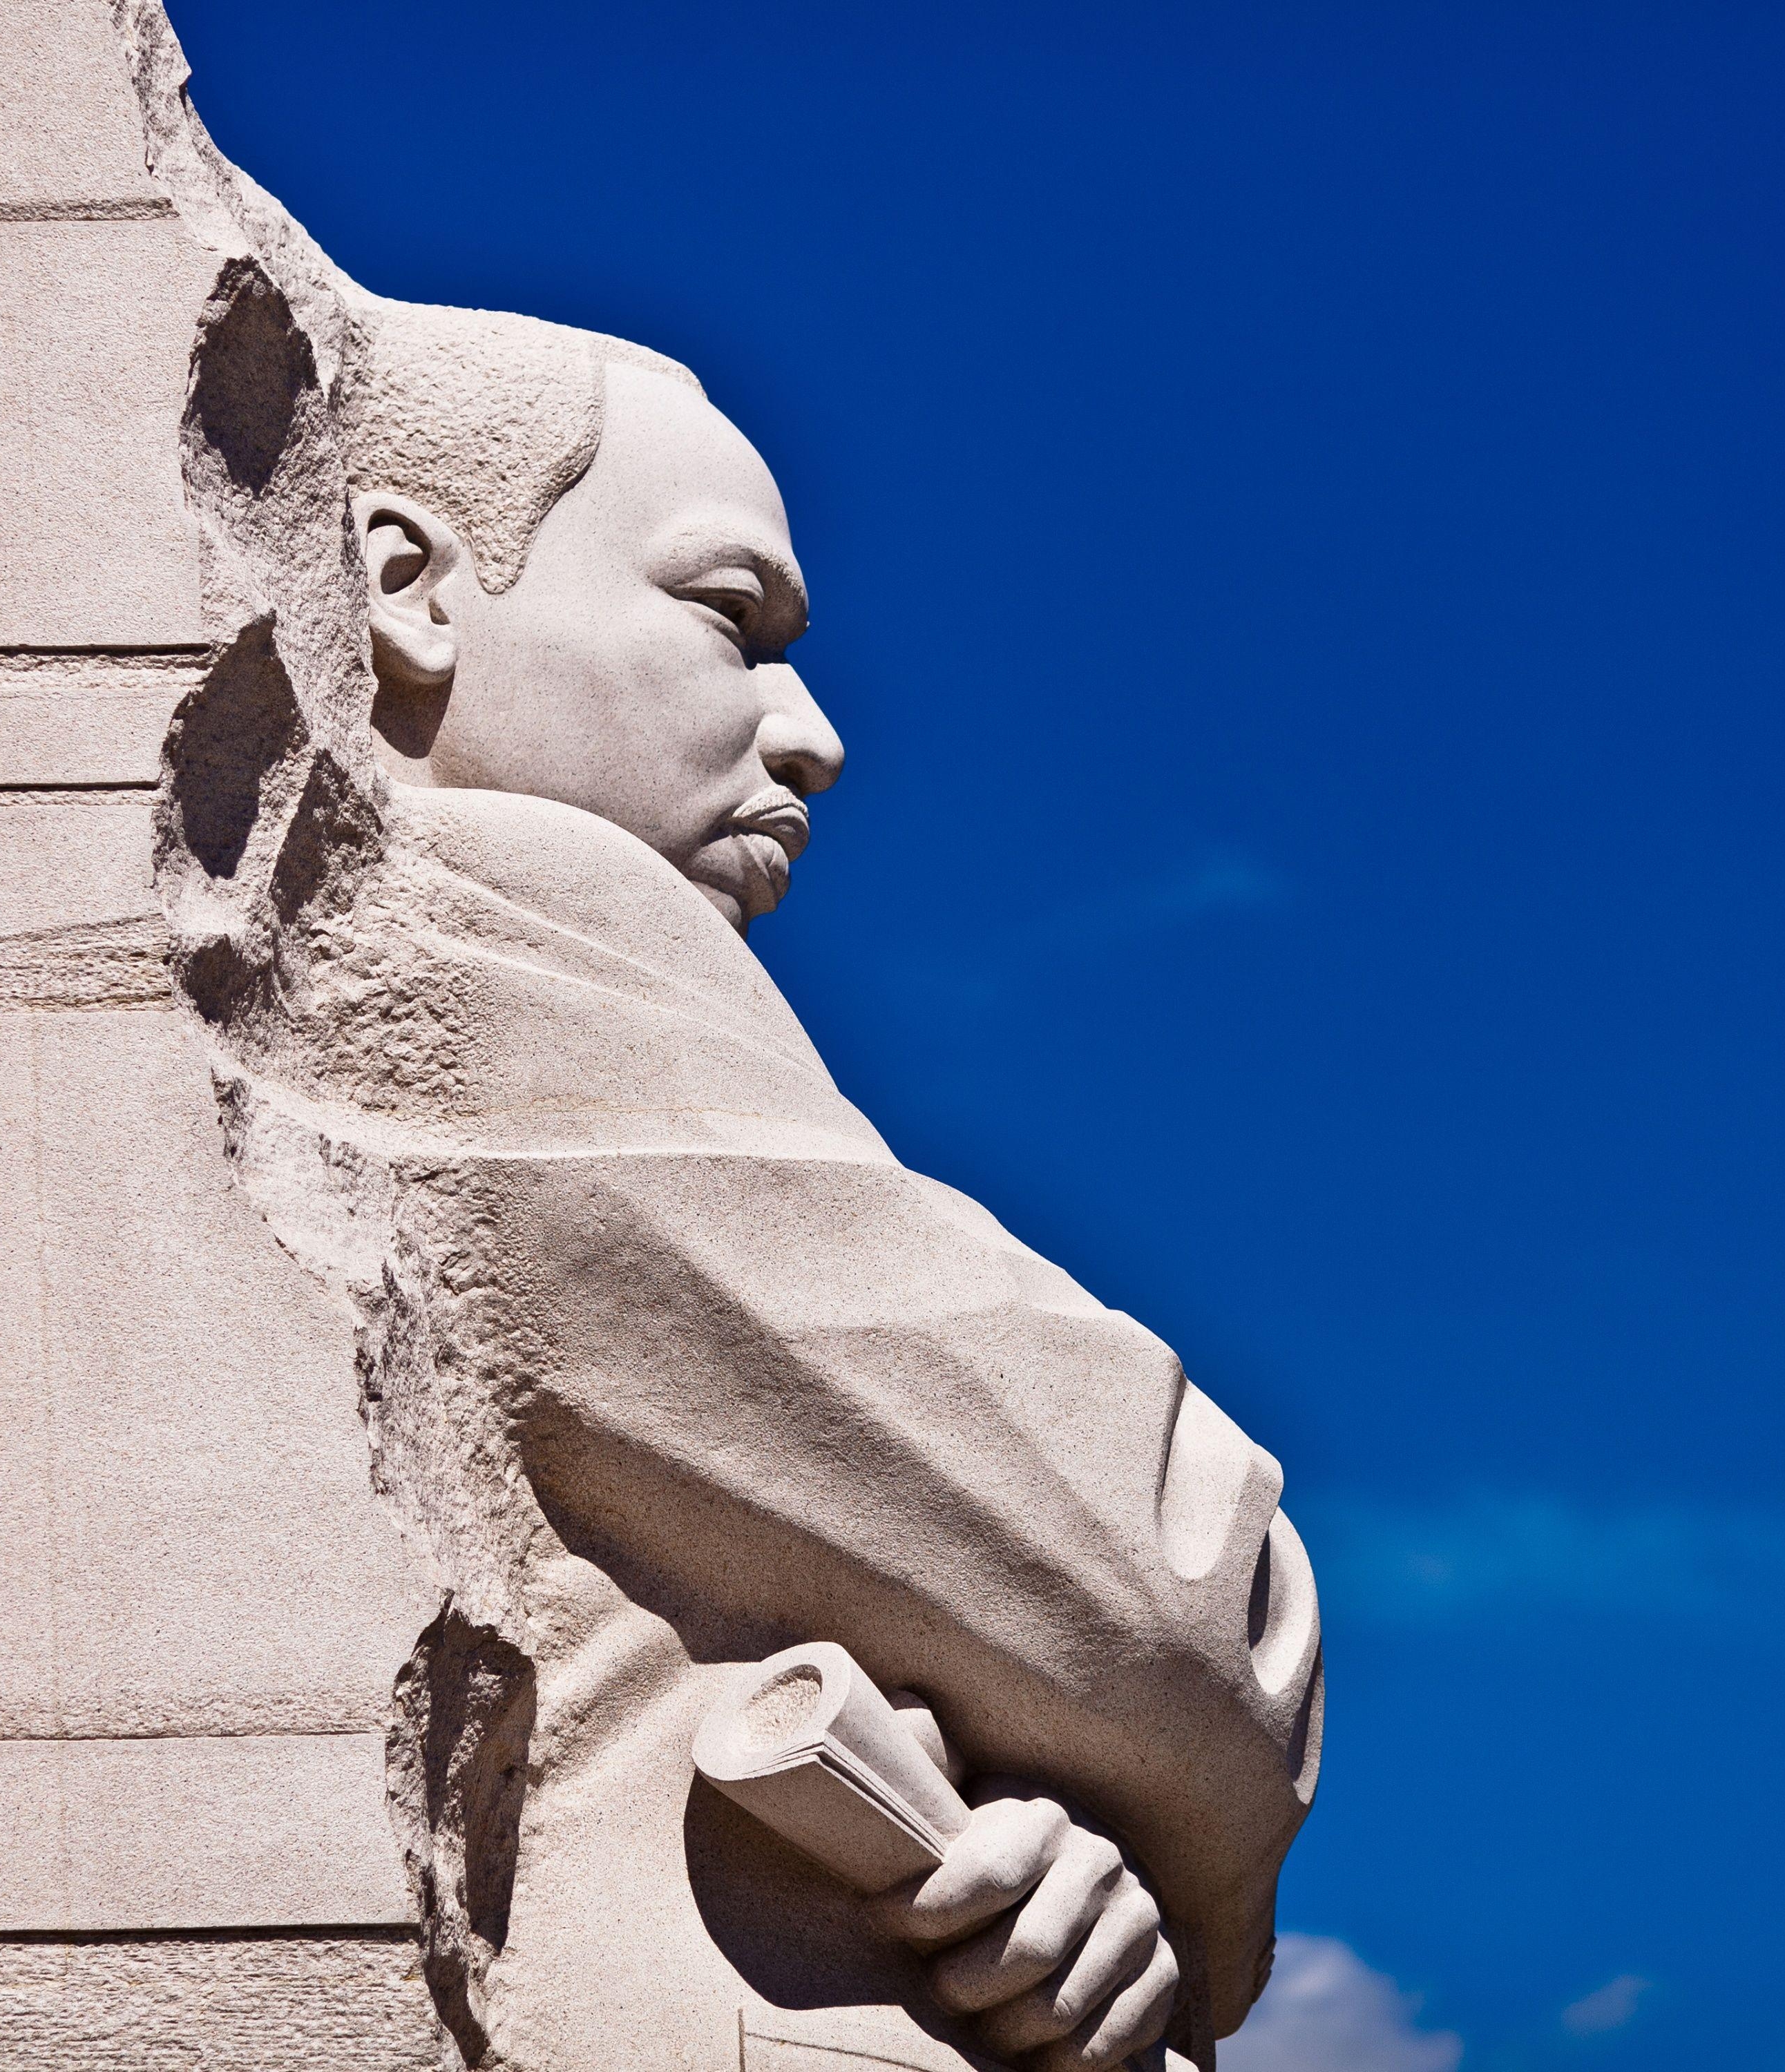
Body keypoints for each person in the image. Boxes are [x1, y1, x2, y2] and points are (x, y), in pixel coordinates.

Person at [164, 278, 1322, 2072]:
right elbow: (1169, 1604)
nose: (811, 732)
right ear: (410, 589)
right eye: (727, 618)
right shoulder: (486, 913)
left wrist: (1063, 1848)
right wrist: (1145, 1776)